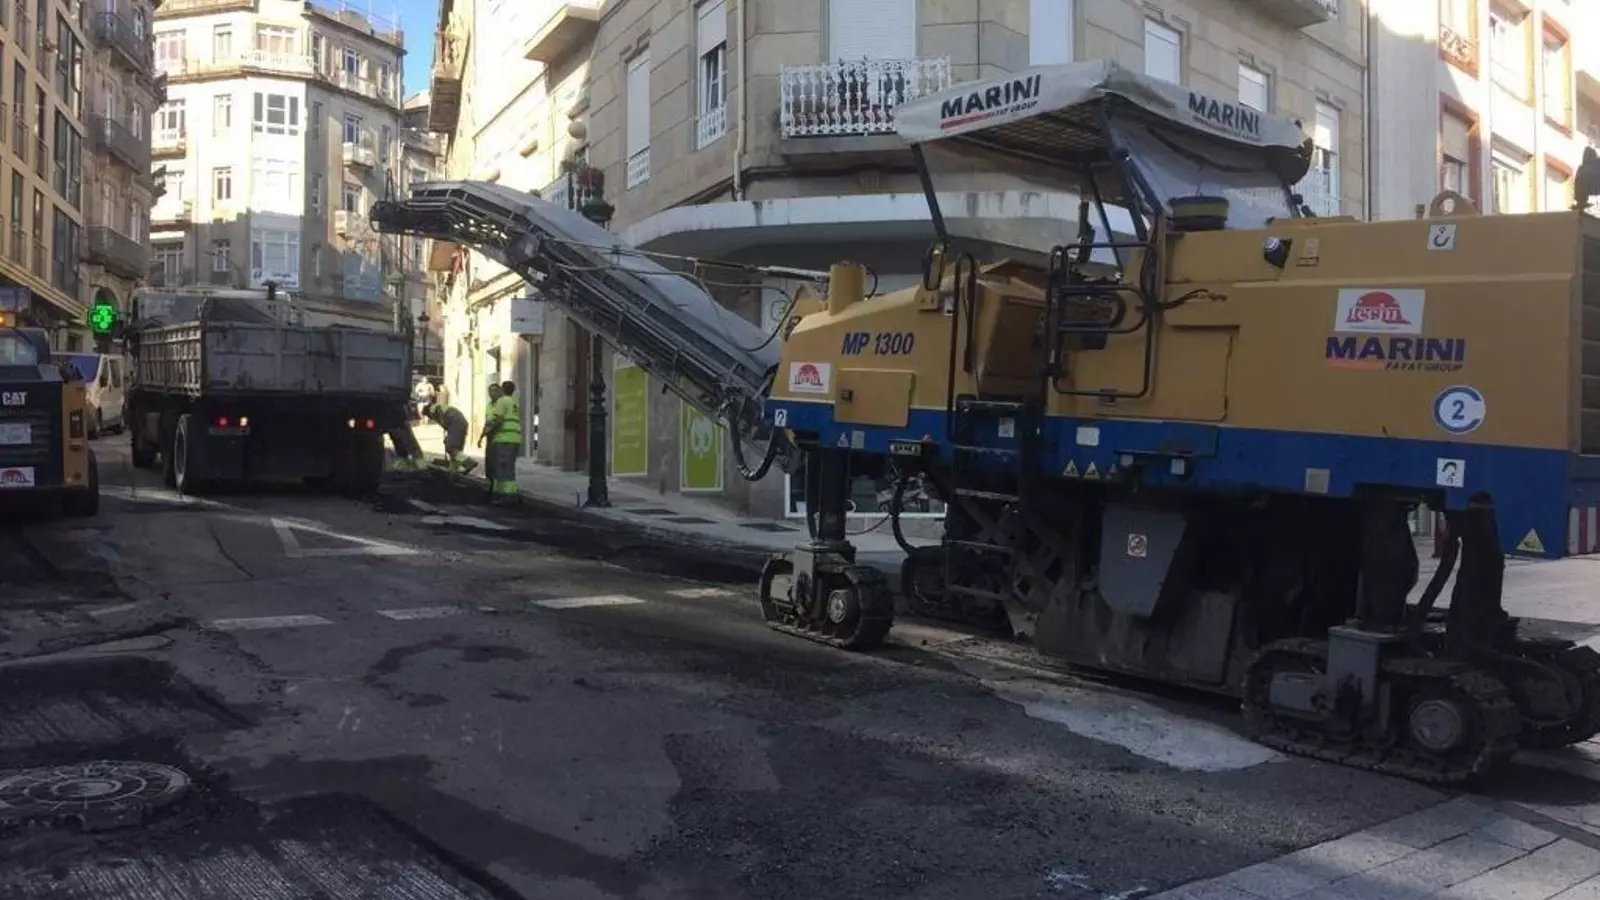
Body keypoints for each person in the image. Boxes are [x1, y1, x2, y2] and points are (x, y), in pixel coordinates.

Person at [482, 380, 522, 504]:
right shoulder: (514, 402)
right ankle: (510, 493)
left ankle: (505, 496)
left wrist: (489, 431)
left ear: (502, 390)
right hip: (515, 439)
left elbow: (498, 419)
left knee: (502, 467)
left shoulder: (502, 401)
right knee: (509, 468)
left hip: (504, 438)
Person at [424, 400, 476, 475]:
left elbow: (440, 413)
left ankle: (468, 462)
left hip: (455, 423)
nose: (429, 418)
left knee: (451, 448)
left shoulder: (433, 408)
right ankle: (454, 470)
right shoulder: (442, 409)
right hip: (461, 423)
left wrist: (448, 438)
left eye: (428, 416)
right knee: (457, 449)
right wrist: (447, 437)